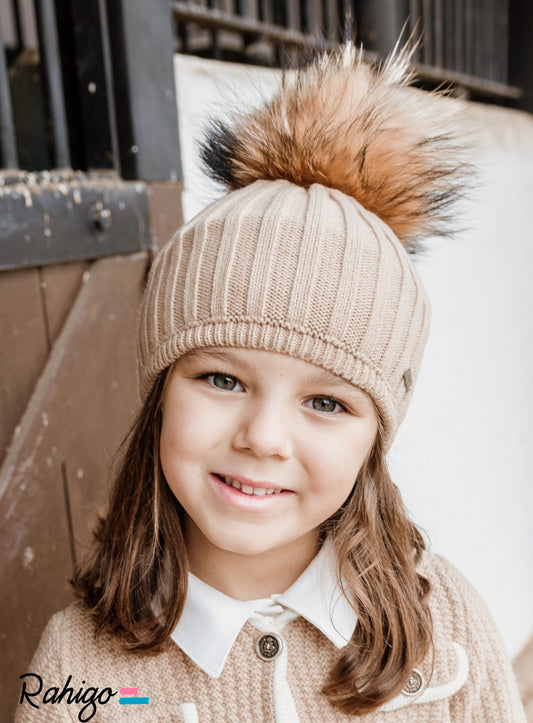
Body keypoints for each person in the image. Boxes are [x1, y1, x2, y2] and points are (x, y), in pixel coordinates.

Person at [16, 42, 526, 722]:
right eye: (222, 379)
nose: (262, 437)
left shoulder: (447, 625)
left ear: (375, 433)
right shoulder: (76, 668)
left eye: (325, 400)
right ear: (160, 390)